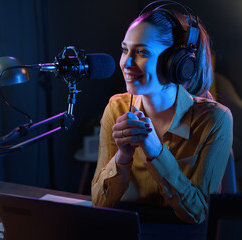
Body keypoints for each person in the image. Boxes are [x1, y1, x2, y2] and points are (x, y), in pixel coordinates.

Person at [91, 2, 233, 224]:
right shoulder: (116, 109)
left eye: (142, 52)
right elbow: (100, 204)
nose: (126, 62)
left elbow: (198, 213)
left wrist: (155, 151)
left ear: (175, 63)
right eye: (124, 49)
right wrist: (122, 157)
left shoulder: (215, 119)